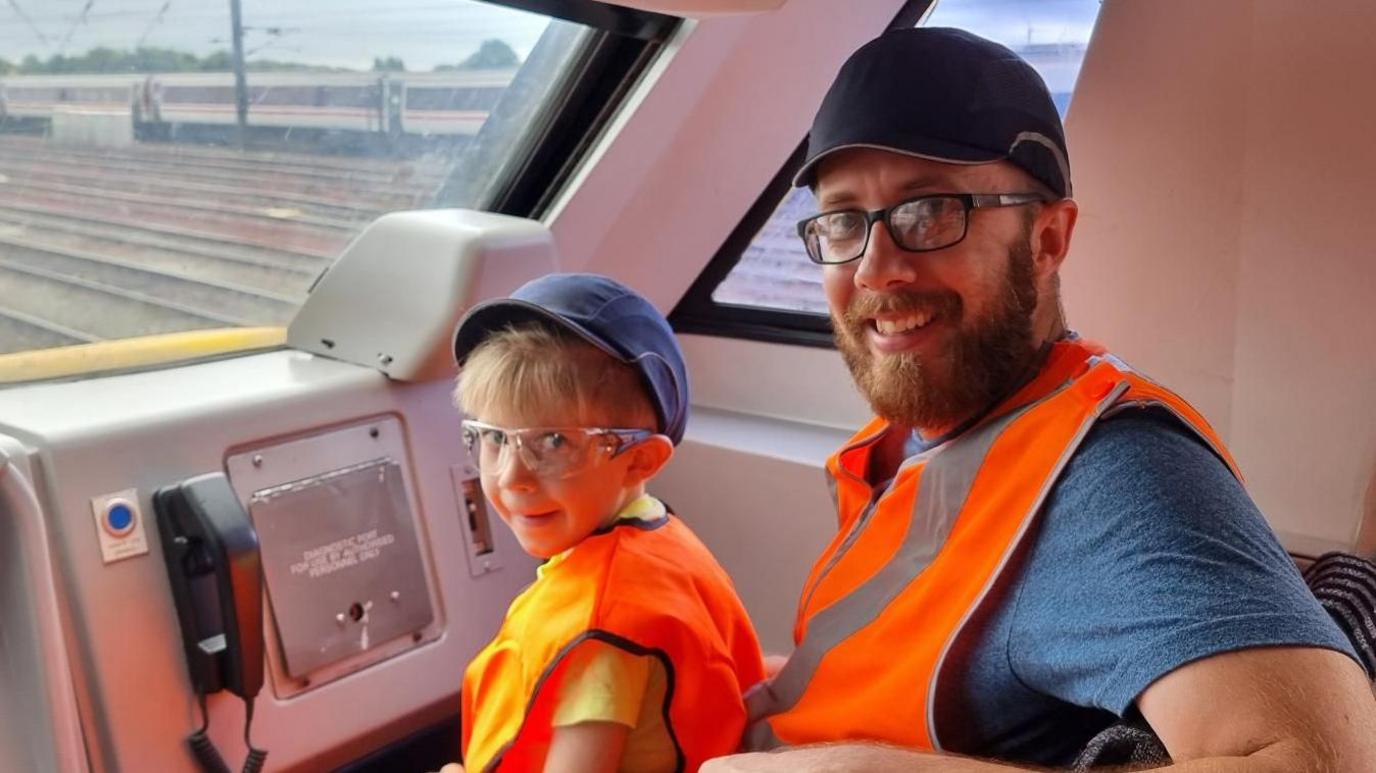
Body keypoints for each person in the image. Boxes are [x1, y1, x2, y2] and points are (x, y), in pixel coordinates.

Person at [703, 28, 1376, 772]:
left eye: (929, 211)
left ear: (1048, 239)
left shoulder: (1116, 475)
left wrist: (858, 770)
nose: (874, 268)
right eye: (843, 219)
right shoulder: (923, 431)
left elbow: (1328, 759)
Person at [446, 273, 765, 773]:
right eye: (494, 438)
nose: (512, 477)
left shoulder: (604, 633)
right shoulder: (656, 539)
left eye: (553, 442)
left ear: (640, 462)